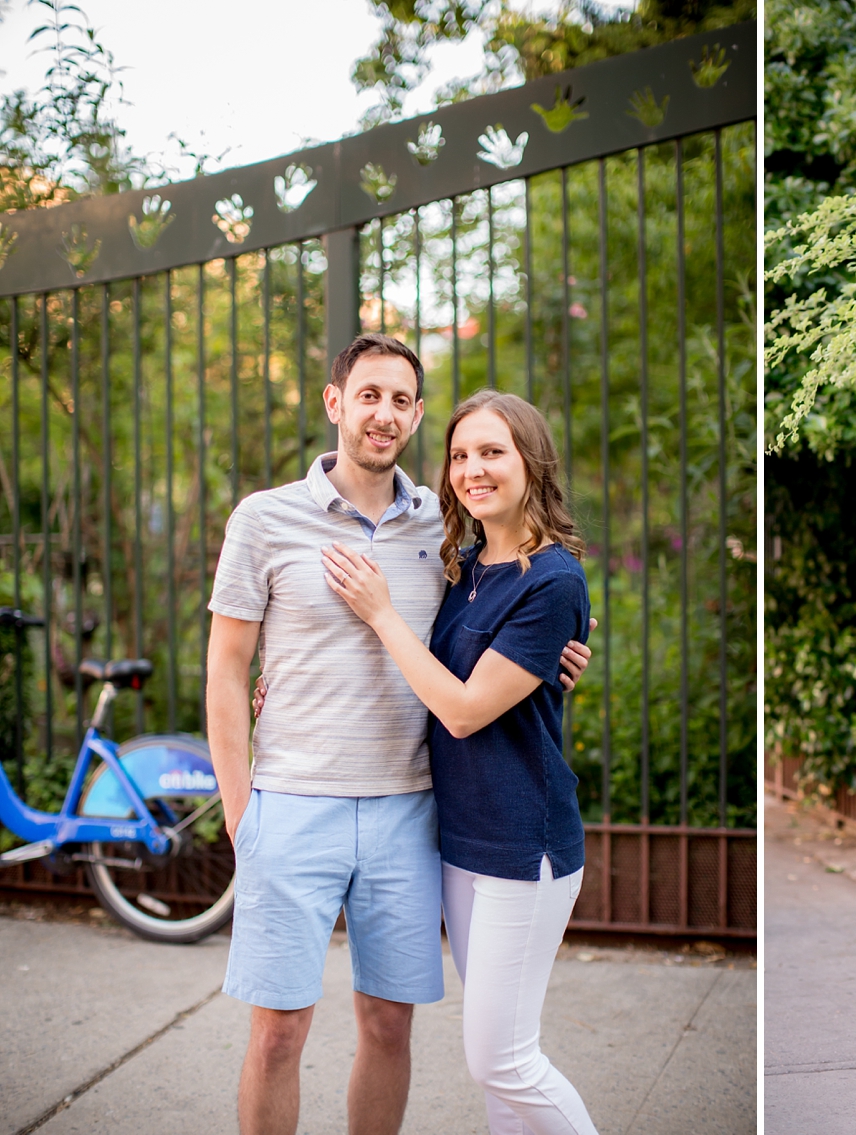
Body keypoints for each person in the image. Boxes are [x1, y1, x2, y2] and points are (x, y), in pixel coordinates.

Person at [206, 334, 591, 1135]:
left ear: (416, 414)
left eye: (403, 400)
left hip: (410, 817)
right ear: (335, 402)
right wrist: (242, 814)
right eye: (370, 395)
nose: (386, 414)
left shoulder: (442, 532)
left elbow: (495, 629)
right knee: (278, 1032)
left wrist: (559, 653)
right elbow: (226, 670)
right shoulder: (265, 519)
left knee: (389, 1027)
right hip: (292, 805)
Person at [321, 388, 599, 1135]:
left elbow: (465, 707)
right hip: (461, 840)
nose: (473, 469)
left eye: (493, 452)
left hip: (522, 843)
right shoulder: (466, 566)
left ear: (531, 462)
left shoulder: (554, 579)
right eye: (460, 455)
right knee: (501, 1074)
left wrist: (379, 611)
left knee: (502, 1060)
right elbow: (439, 672)